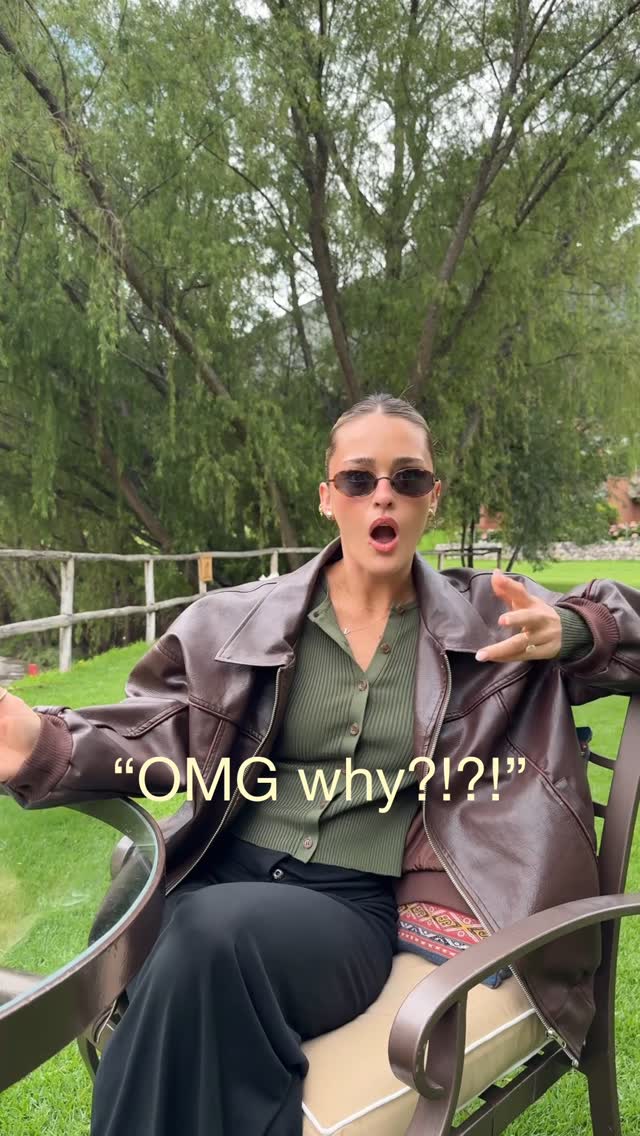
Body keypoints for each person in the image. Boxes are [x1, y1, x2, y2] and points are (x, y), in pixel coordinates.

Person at [2, 392, 640, 1136]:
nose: (383, 496)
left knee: (200, 935)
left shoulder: (489, 620)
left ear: (432, 498)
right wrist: (40, 742)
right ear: (327, 496)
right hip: (222, 871)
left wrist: (572, 629)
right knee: (176, 942)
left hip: (343, 908)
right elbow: (162, 729)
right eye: (359, 479)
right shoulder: (242, 620)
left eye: (407, 479)